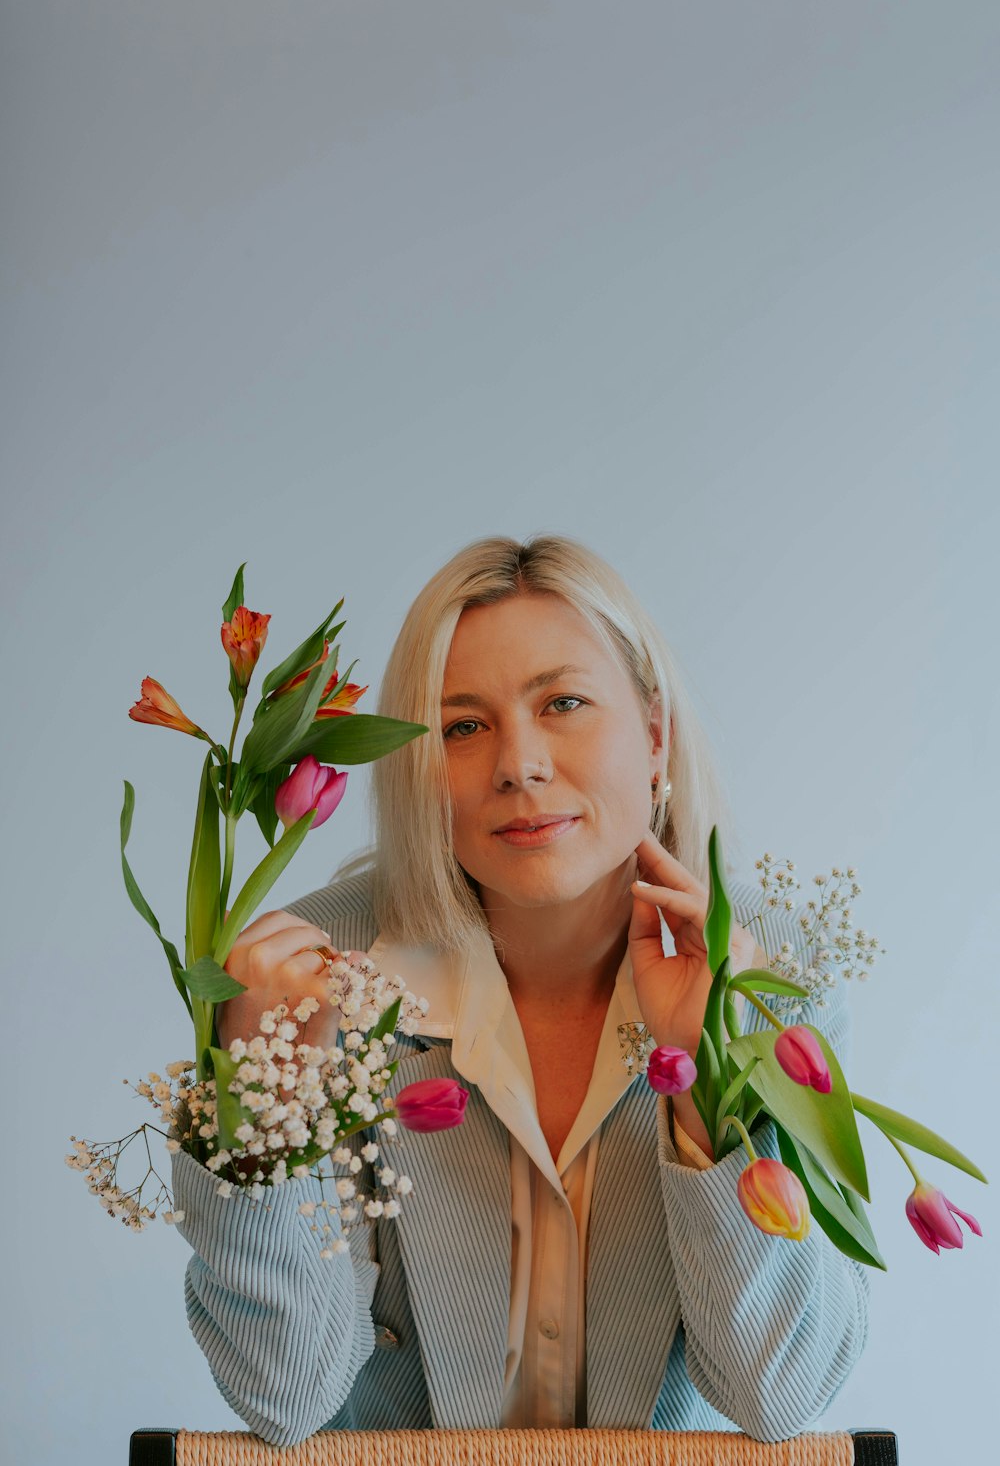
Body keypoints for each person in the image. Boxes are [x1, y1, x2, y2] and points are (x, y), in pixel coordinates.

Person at [171, 533, 870, 1447]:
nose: (520, 764)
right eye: (463, 726)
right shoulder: (307, 978)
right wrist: (263, 1105)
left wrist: (705, 1084)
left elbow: (783, 1393)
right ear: (418, 766)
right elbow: (285, 1398)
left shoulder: (769, 982)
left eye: (565, 703)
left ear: (654, 735)